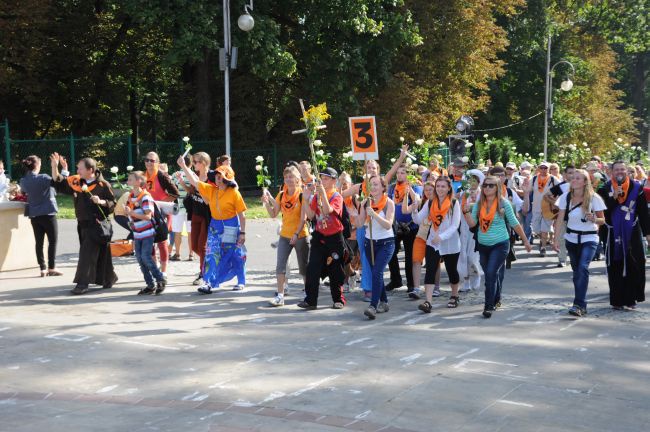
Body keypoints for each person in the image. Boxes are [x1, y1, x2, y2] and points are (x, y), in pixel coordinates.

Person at [341, 146, 407, 300]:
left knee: (375, 259)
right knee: (365, 257)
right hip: (363, 227)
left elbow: (393, 170)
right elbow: (340, 196)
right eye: (368, 167)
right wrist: (340, 184)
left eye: (374, 167)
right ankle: (368, 288)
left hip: (380, 228)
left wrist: (402, 157)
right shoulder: (359, 187)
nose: (371, 169)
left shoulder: (381, 183)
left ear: (378, 170)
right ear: (365, 169)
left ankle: (376, 288)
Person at [464, 175, 532, 318]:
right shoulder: (479, 204)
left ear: (497, 188)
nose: (487, 188)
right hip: (483, 245)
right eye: (485, 185)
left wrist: (526, 241)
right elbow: (473, 225)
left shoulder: (503, 204)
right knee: (493, 274)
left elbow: (514, 223)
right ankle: (496, 298)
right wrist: (465, 212)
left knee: (490, 273)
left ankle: (488, 306)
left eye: (491, 185)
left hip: (500, 244)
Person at [50, 153, 117, 294]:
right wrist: (55, 167)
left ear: (90, 170)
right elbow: (59, 181)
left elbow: (112, 204)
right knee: (102, 253)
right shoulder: (78, 183)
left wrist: (101, 201)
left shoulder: (103, 185)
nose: (78, 171)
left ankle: (82, 284)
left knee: (86, 254)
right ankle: (108, 278)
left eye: (80, 169)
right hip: (82, 224)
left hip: (97, 224)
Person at [178, 157, 247, 293]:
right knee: (212, 254)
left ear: (227, 179)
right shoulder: (212, 190)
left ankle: (241, 280)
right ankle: (208, 282)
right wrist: (184, 167)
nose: (217, 178)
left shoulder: (234, 193)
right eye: (216, 176)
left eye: (220, 176)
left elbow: (242, 215)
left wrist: (243, 232)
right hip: (215, 226)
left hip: (231, 226)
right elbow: (195, 182)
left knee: (234, 255)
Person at [597, 161, 650, 310]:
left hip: (632, 231)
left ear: (626, 171)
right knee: (615, 264)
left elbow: (643, 213)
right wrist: (613, 197)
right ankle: (617, 300)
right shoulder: (604, 188)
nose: (620, 172)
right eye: (617, 170)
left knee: (634, 263)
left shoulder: (636, 188)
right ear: (611, 172)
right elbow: (603, 212)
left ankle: (631, 299)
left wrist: (647, 233)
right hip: (612, 231)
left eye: (622, 169)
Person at [553, 169, 606, 317]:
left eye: (578, 178)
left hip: (589, 238)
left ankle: (579, 304)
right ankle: (580, 304)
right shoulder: (566, 197)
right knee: (577, 272)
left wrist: (594, 219)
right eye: (573, 177)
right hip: (571, 238)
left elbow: (603, 220)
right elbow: (559, 219)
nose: (573, 180)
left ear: (585, 182)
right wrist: (556, 239)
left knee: (582, 268)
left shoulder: (594, 198)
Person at [297, 167, 347, 310]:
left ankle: (338, 299)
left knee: (335, 270)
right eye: (322, 178)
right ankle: (310, 300)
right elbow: (311, 215)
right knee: (312, 268)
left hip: (334, 238)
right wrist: (306, 199)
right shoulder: (317, 195)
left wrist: (323, 194)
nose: (322, 181)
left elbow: (327, 210)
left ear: (333, 181)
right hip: (319, 236)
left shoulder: (337, 196)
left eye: (325, 179)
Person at [262, 166, 310, 307]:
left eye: (291, 177)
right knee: (280, 266)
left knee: (304, 268)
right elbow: (273, 213)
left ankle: (308, 294)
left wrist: (296, 234)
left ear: (297, 179)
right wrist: (266, 203)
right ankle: (280, 296)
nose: (288, 179)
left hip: (301, 235)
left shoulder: (302, 195)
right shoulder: (282, 195)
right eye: (286, 177)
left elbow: (304, 218)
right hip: (285, 235)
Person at [412, 176, 462, 312]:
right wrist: (415, 209)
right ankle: (428, 301)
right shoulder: (430, 202)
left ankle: (454, 295)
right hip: (433, 242)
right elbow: (418, 220)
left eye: (443, 186)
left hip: (450, 243)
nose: (440, 189)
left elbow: (455, 225)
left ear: (448, 188)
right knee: (430, 271)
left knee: (452, 271)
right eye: (438, 186)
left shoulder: (454, 203)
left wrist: (442, 236)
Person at [357, 175, 395, 319]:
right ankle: (384, 302)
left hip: (386, 243)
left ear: (383, 187)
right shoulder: (366, 202)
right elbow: (360, 224)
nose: (373, 187)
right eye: (371, 184)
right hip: (370, 242)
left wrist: (374, 215)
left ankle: (373, 305)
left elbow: (388, 225)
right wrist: (360, 209)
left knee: (377, 272)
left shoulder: (388, 203)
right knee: (375, 272)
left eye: (376, 184)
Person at [124, 171, 167, 295]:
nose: (128, 181)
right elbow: (130, 212)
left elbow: (148, 216)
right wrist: (130, 219)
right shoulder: (131, 196)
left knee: (146, 257)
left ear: (138, 182)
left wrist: (132, 213)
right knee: (140, 259)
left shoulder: (145, 197)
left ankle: (160, 279)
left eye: (130, 179)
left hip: (147, 233)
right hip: (137, 233)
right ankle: (150, 285)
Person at [19, 155, 62, 277]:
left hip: (34, 215)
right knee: (52, 241)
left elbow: (23, 192)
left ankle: (42, 268)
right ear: (37, 164)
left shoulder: (23, 181)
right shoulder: (43, 178)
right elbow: (56, 181)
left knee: (39, 242)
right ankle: (52, 267)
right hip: (48, 214)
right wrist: (56, 167)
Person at [175, 152, 212, 286]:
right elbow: (192, 191)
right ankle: (208, 263)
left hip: (206, 216)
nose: (194, 164)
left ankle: (203, 274)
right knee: (196, 246)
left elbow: (207, 197)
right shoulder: (196, 176)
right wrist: (181, 182)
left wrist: (184, 166)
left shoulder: (211, 177)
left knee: (202, 246)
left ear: (204, 163)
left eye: (195, 162)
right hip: (195, 213)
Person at [386, 165, 422, 293]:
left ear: (409, 175)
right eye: (398, 173)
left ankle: (411, 284)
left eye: (403, 173)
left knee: (409, 256)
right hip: (396, 225)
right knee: (391, 253)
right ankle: (396, 279)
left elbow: (418, 201)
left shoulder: (415, 186)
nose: (399, 175)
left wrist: (409, 189)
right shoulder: (392, 187)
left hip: (410, 226)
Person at [144, 151, 180, 276]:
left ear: (158, 163)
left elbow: (175, 193)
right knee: (149, 241)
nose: (149, 162)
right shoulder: (142, 176)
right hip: (148, 212)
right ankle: (155, 266)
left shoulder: (161, 176)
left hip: (162, 212)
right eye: (147, 160)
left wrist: (158, 203)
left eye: (152, 160)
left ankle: (163, 271)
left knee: (162, 242)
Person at [402, 181, 435, 299]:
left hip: (434, 236)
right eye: (426, 190)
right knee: (416, 260)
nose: (428, 192)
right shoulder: (422, 202)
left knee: (433, 263)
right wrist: (414, 209)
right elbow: (414, 217)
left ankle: (435, 288)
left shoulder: (440, 202)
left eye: (431, 189)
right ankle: (416, 288)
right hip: (421, 235)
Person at [523, 161, 559, 257]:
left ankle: (543, 247)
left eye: (545, 168)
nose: (543, 170)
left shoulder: (552, 179)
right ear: (539, 168)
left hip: (549, 207)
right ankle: (545, 239)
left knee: (544, 229)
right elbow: (528, 190)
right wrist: (524, 188)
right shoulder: (534, 178)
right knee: (535, 228)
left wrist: (555, 200)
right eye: (541, 168)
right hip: (536, 207)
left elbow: (562, 190)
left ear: (548, 169)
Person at [457, 169, 484, 292]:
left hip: (476, 228)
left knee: (472, 256)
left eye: (474, 180)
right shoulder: (463, 194)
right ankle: (466, 280)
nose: (472, 183)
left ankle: (477, 274)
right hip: (463, 228)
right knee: (462, 256)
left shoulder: (482, 195)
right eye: (470, 180)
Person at [547, 164, 576, 267]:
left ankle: (574, 258)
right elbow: (546, 195)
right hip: (563, 217)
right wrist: (555, 203)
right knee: (561, 238)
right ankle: (562, 259)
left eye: (574, 172)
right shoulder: (560, 186)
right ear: (564, 174)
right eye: (570, 173)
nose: (572, 175)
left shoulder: (580, 185)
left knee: (575, 239)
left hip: (576, 218)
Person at [339, 172, 360, 292]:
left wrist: (355, 225)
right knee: (345, 258)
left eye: (345, 183)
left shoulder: (354, 197)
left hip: (355, 232)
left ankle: (349, 280)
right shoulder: (338, 197)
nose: (342, 185)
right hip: (343, 232)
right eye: (340, 182)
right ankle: (349, 277)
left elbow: (361, 213)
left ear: (350, 184)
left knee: (353, 259)